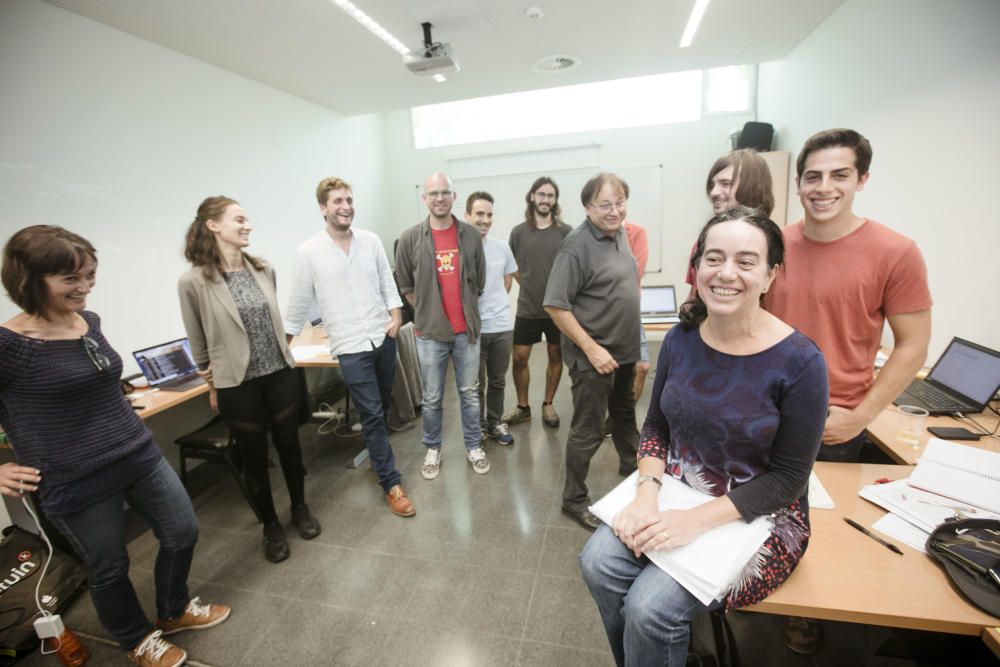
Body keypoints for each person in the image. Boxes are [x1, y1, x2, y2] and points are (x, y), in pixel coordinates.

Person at [580, 207, 828, 667]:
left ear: (772, 274)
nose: (726, 273)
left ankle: (655, 647)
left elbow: (789, 478)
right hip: (678, 489)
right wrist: (646, 495)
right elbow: (656, 425)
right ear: (697, 267)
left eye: (746, 261)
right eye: (713, 258)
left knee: (649, 609)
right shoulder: (680, 339)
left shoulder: (801, 363)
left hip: (763, 516)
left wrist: (694, 521)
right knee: (597, 564)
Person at [1, 225, 230, 667]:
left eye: (89, 274)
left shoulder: (89, 322)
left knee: (182, 531)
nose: (85, 287)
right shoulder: (8, 345)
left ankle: (173, 609)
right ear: (30, 280)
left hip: (136, 452)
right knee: (109, 567)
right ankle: (136, 639)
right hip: (74, 477)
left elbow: (94, 381)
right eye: (71, 279)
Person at [765, 129, 931, 653]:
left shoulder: (895, 252)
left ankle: (806, 614)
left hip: (833, 421)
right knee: (756, 514)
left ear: (862, 179)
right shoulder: (774, 245)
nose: (824, 187)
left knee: (816, 527)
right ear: (799, 182)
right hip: (760, 411)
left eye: (839, 175)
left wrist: (861, 416)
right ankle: (750, 590)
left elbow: (912, 346)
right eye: (813, 176)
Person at [179, 196, 321, 564]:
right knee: (254, 459)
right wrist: (211, 384)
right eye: (239, 219)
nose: (248, 226)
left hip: (279, 373)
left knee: (290, 447)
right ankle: (270, 525)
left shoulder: (263, 268)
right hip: (237, 385)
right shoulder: (194, 281)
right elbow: (198, 340)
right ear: (213, 225)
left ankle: (300, 508)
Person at [284, 177, 415, 518]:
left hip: (382, 336)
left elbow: (388, 281)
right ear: (323, 208)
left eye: (349, 199)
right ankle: (391, 483)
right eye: (337, 201)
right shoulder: (309, 252)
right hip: (350, 345)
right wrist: (284, 347)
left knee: (382, 405)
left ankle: (377, 450)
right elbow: (298, 304)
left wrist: (396, 314)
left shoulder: (369, 241)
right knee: (371, 412)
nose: (345, 206)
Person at [543, 173, 641, 531]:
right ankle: (574, 499)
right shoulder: (576, 246)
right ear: (587, 207)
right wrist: (591, 348)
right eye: (605, 205)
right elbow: (555, 306)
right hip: (594, 357)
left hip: (624, 350)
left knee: (625, 415)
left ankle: (635, 471)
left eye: (620, 202)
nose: (615, 211)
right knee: (589, 430)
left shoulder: (621, 235)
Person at [395, 172, 488, 479]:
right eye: (433, 193)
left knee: (469, 393)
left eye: (445, 192)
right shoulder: (409, 238)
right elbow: (405, 283)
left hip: (466, 332)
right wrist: (426, 310)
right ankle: (432, 448)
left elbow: (480, 280)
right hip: (430, 334)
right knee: (432, 397)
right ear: (425, 198)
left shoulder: (471, 236)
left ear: (453, 197)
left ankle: (473, 445)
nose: (439, 198)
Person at [504, 177, 573, 428]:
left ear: (555, 200)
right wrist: (531, 285)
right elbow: (512, 267)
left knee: (556, 354)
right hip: (528, 307)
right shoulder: (518, 232)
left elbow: (572, 267)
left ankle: (548, 404)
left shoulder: (566, 232)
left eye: (551, 195)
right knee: (519, 357)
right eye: (541, 194)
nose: (546, 199)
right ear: (532, 196)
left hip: (557, 309)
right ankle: (523, 407)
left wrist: (556, 293)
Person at [684, 149, 775, 301]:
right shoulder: (705, 242)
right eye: (712, 185)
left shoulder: (773, 245)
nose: (713, 192)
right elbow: (694, 297)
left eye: (725, 184)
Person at [466, 191, 517, 446]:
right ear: (467, 216)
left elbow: (507, 281)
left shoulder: (501, 247)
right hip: (474, 331)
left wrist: (494, 304)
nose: (485, 220)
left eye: (489, 215)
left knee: (497, 381)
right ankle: (479, 428)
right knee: (477, 385)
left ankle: (495, 422)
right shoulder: (460, 249)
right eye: (479, 214)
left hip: (501, 327)